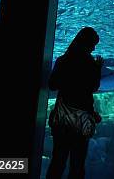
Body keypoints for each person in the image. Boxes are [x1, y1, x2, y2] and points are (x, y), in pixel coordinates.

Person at [46, 27, 103, 179]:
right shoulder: (90, 64)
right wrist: (98, 69)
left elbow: (52, 85)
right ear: (88, 43)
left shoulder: (63, 60)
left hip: (62, 119)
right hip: (81, 122)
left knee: (58, 162)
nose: (94, 47)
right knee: (77, 166)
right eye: (93, 44)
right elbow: (93, 88)